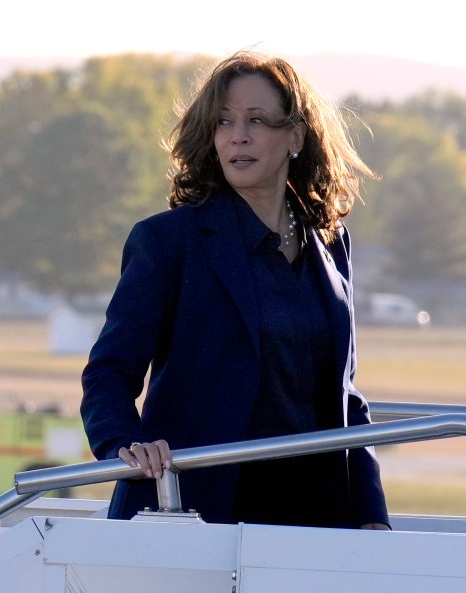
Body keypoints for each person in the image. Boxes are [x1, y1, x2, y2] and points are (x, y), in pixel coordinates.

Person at [80, 49, 390, 530]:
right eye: (224, 122)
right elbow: (107, 373)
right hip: (195, 512)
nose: (238, 135)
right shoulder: (168, 242)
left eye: (257, 120)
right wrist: (124, 442)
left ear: (295, 136)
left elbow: (345, 397)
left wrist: (371, 512)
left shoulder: (330, 242)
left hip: (316, 518)